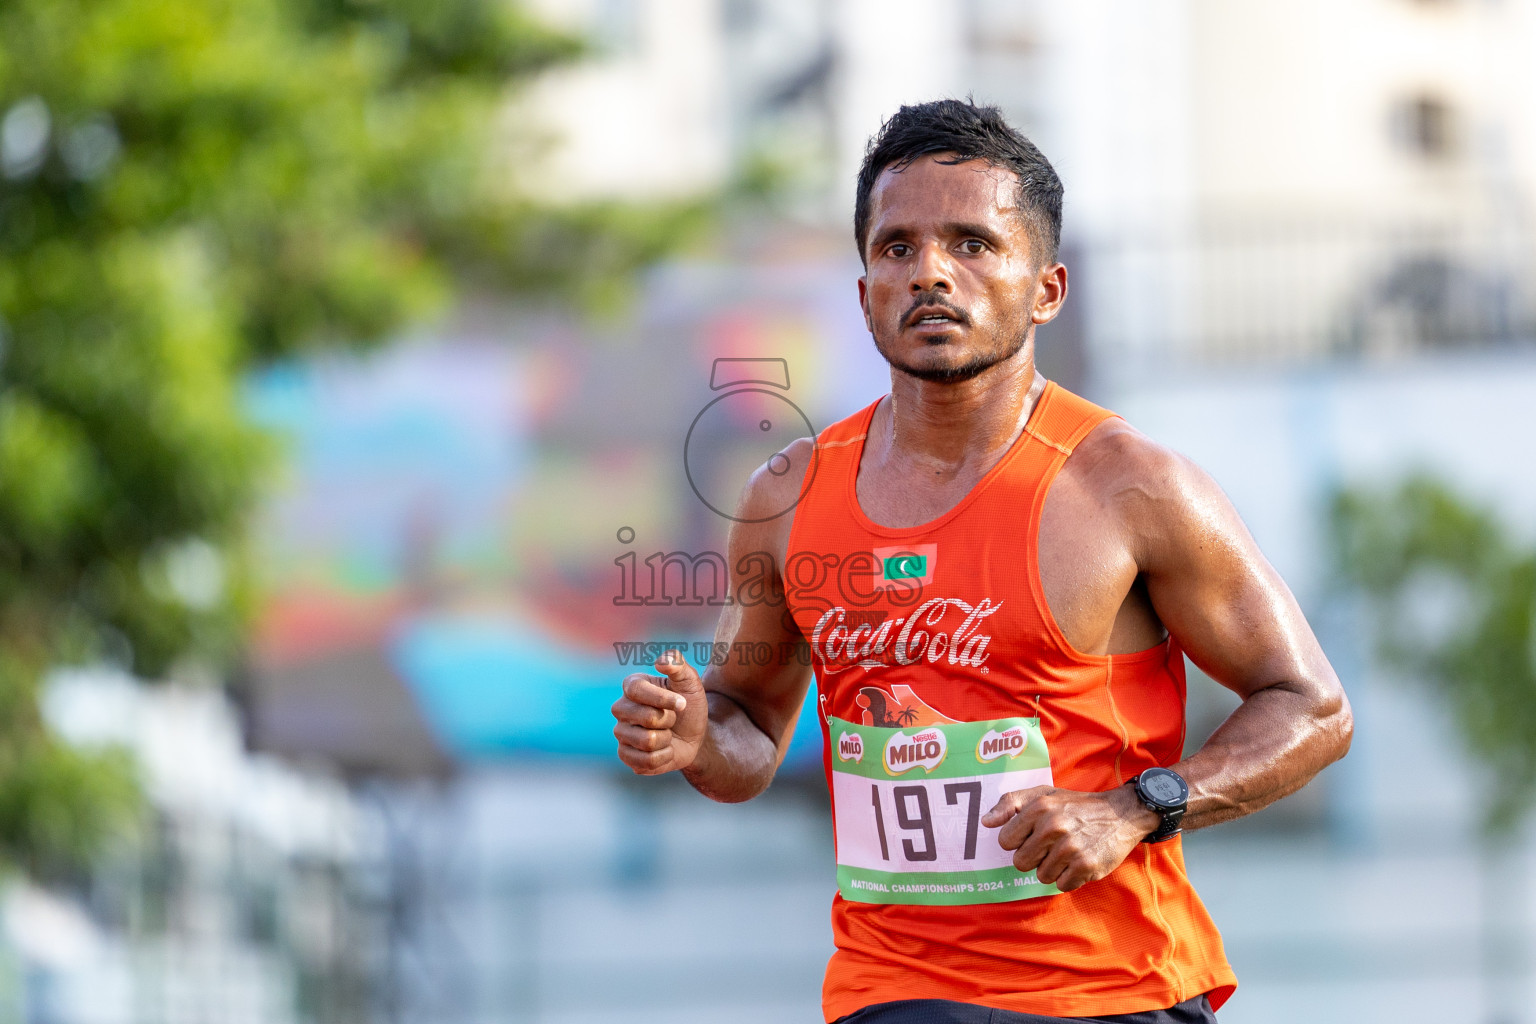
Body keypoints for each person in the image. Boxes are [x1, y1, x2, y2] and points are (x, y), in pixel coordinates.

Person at [611, 98, 1353, 1024]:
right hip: (894, 991)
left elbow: (1313, 708)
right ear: (864, 292)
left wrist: (1133, 806)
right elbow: (749, 730)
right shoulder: (785, 495)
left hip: (1109, 992)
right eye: (897, 248)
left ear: (1046, 288)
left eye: (972, 243)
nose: (930, 273)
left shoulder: (1131, 487)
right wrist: (691, 740)